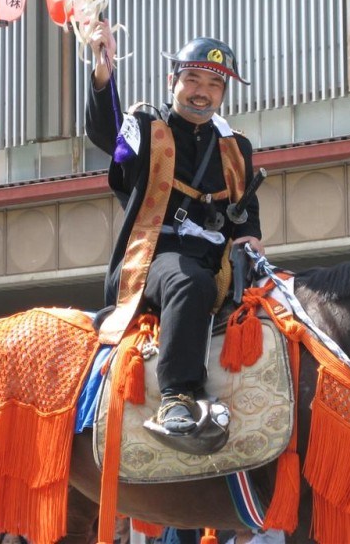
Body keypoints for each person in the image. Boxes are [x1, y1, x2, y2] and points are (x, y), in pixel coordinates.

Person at [86, 23, 263, 439]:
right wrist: (103, 70)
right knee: (189, 282)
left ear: (223, 93)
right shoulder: (146, 126)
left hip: (221, 260)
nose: (202, 91)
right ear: (173, 81)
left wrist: (250, 237)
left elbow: (246, 206)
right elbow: (107, 133)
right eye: (192, 79)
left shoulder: (236, 145)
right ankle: (177, 397)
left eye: (215, 84)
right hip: (154, 256)